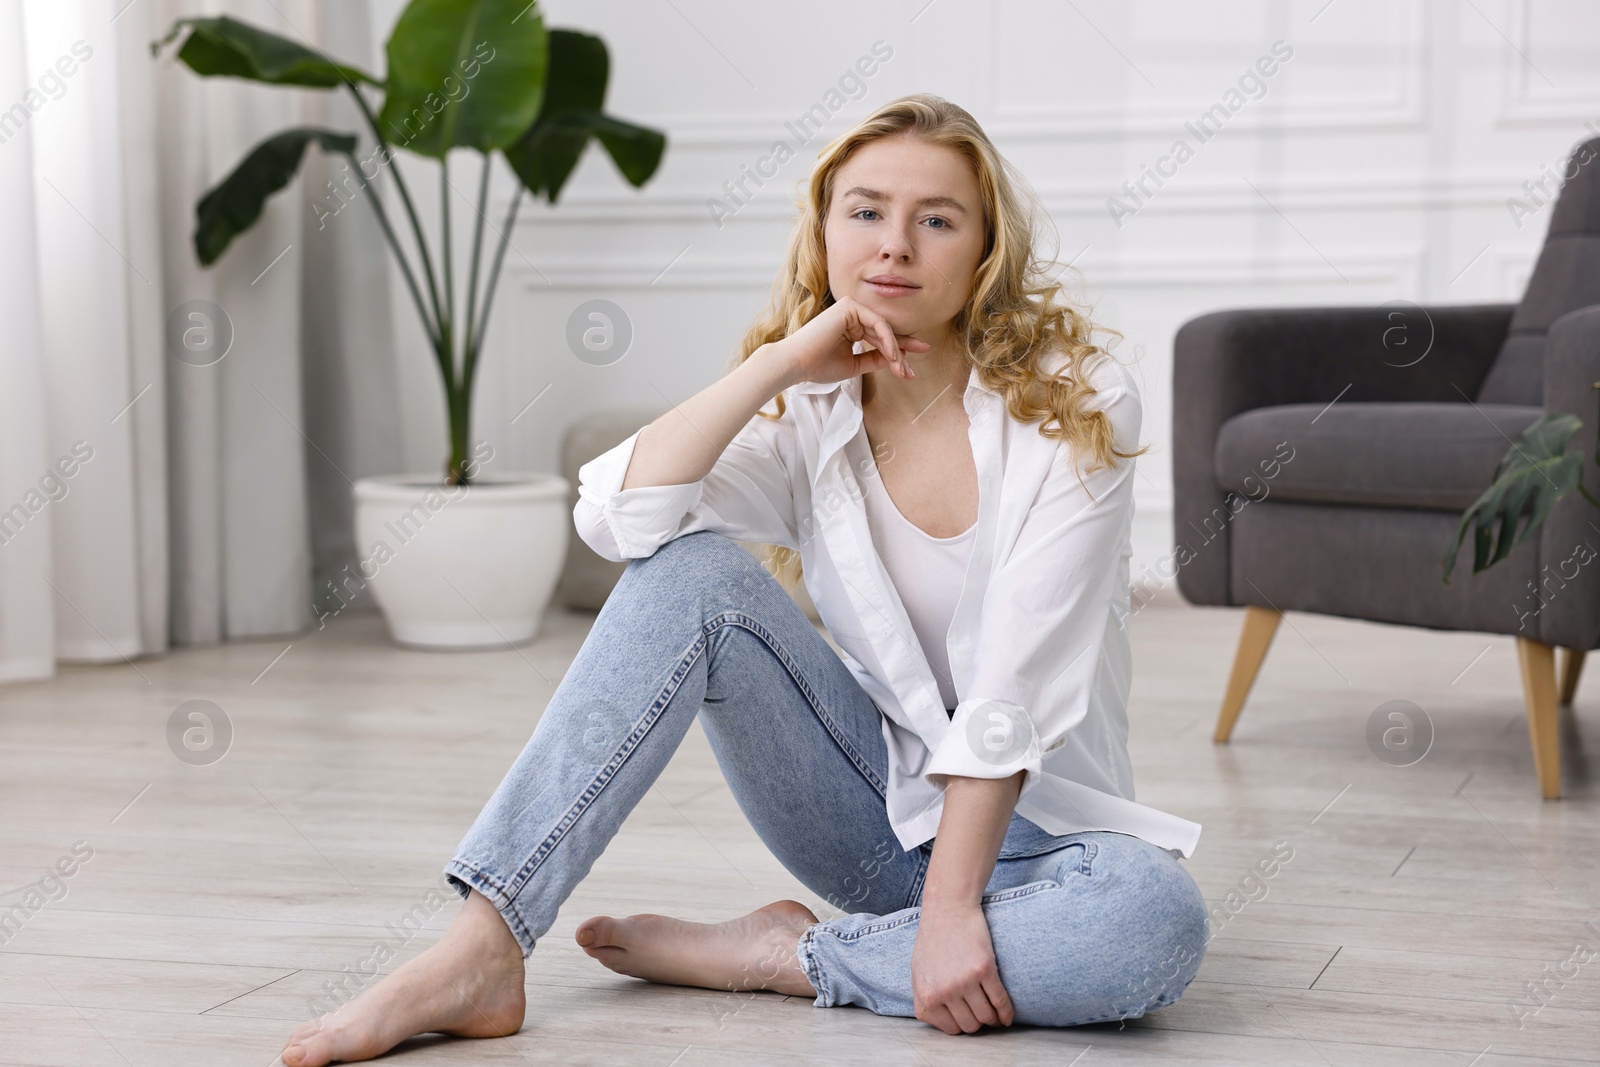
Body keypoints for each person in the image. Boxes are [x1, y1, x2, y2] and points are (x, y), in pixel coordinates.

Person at [279, 93, 1207, 1067]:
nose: (893, 245)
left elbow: (1013, 681)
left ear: (983, 251)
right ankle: (481, 946)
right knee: (692, 571)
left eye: (935, 219)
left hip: (1041, 843)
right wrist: (774, 366)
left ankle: (786, 955)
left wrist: (949, 909)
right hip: (873, 816)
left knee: (1149, 923)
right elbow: (617, 520)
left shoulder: (1075, 401)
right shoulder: (808, 409)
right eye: (864, 211)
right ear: (823, 229)